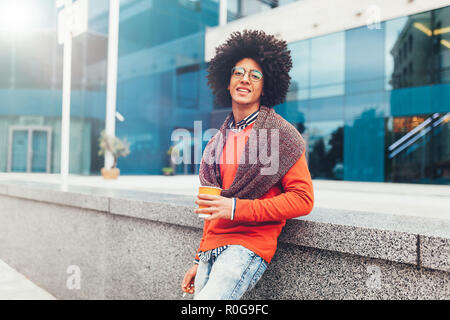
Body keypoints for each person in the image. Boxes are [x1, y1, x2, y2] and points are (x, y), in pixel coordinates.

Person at [181, 30, 314, 300]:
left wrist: (236, 208)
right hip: (213, 248)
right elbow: (211, 209)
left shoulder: (281, 136)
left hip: (248, 245)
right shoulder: (216, 142)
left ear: (265, 87)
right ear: (227, 83)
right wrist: (198, 259)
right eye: (238, 72)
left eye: (255, 75)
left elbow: (303, 199)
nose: (245, 79)